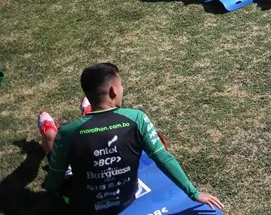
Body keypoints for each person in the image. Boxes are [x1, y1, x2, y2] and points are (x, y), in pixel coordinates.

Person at [37, 63, 224, 213]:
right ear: (113, 91)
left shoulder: (68, 132)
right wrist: (194, 193)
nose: (122, 88)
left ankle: (50, 129)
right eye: (121, 85)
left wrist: (50, 186)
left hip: (84, 206)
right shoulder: (136, 118)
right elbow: (163, 158)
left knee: (53, 138)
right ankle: (87, 112)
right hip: (126, 199)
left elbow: (55, 178)